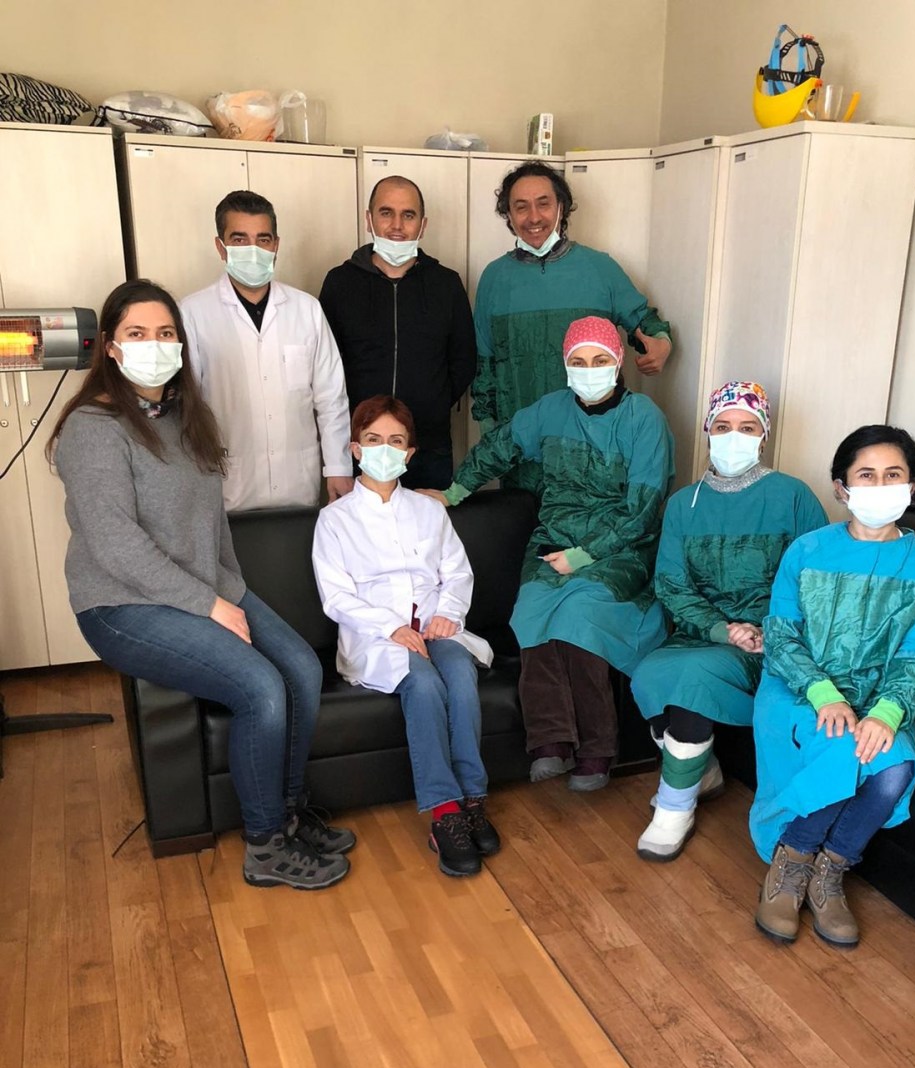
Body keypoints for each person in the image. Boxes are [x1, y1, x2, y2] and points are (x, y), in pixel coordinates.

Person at [50, 279, 355, 891]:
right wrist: (208, 604)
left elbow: (210, 522)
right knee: (260, 688)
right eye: (137, 333)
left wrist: (231, 591)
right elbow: (114, 543)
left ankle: (288, 813)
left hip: (202, 584)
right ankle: (266, 846)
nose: (154, 344)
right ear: (110, 346)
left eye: (165, 333)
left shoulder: (186, 416)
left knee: (301, 668)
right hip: (120, 603)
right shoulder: (93, 426)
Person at [427, 316, 673, 790]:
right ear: (565, 365)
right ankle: (550, 741)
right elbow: (500, 446)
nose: (589, 370)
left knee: (580, 616)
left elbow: (642, 511)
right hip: (554, 539)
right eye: (579, 361)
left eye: (599, 360)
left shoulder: (644, 419)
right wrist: (455, 491)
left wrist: (584, 556)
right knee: (533, 609)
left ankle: (597, 749)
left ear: (618, 362)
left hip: (621, 549)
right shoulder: (550, 410)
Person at [750, 425, 915, 947]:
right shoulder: (807, 551)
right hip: (799, 690)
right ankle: (792, 860)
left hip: (882, 696)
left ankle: (830, 870)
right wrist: (823, 693)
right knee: (841, 749)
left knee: (894, 769)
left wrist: (887, 712)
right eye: (867, 475)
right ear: (842, 487)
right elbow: (782, 635)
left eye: (893, 475)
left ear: (912, 487)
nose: (880, 485)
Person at [630, 382, 827, 861]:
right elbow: (672, 584)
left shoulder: (794, 497)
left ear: (764, 436)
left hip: (772, 642)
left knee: (694, 677)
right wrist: (722, 629)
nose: (733, 436)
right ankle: (705, 771)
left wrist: (767, 630)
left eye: (747, 427)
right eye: (722, 426)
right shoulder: (684, 504)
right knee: (649, 673)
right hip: (704, 633)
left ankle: (674, 808)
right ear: (708, 432)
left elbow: (816, 583)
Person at [312, 395, 500, 877]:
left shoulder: (429, 511)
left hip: (435, 626)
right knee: (424, 682)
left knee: (460, 675)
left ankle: (472, 799)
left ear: (410, 453)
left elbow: (457, 573)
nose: (384, 449)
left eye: (395, 441)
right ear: (356, 449)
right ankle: (444, 813)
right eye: (373, 439)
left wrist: (447, 615)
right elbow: (336, 597)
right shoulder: (334, 520)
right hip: (377, 637)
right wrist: (390, 627)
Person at [472, 160, 673, 491]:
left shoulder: (600, 269)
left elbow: (644, 322)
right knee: (521, 522)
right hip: (522, 451)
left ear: (561, 207)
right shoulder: (495, 278)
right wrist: (492, 436)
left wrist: (661, 342)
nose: (533, 217)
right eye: (521, 207)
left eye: (543, 204)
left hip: (592, 449)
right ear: (508, 215)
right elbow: (485, 365)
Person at [181, 189, 351, 510]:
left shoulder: (307, 309)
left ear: (276, 245)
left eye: (263, 239)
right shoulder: (193, 313)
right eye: (239, 239)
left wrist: (338, 467)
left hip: (298, 482)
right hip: (227, 484)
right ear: (220, 246)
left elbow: (331, 398)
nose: (253, 250)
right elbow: (187, 407)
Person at [318, 175, 476, 492]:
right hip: (360, 446)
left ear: (423, 224)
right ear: (369, 219)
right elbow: (325, 366)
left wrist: (432, 402)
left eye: (408, 215)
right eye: (386, 212)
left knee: (427, 523)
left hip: (428, 447)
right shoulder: (340, 283)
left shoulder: (446, 284)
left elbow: (464, 359)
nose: (397, 226)